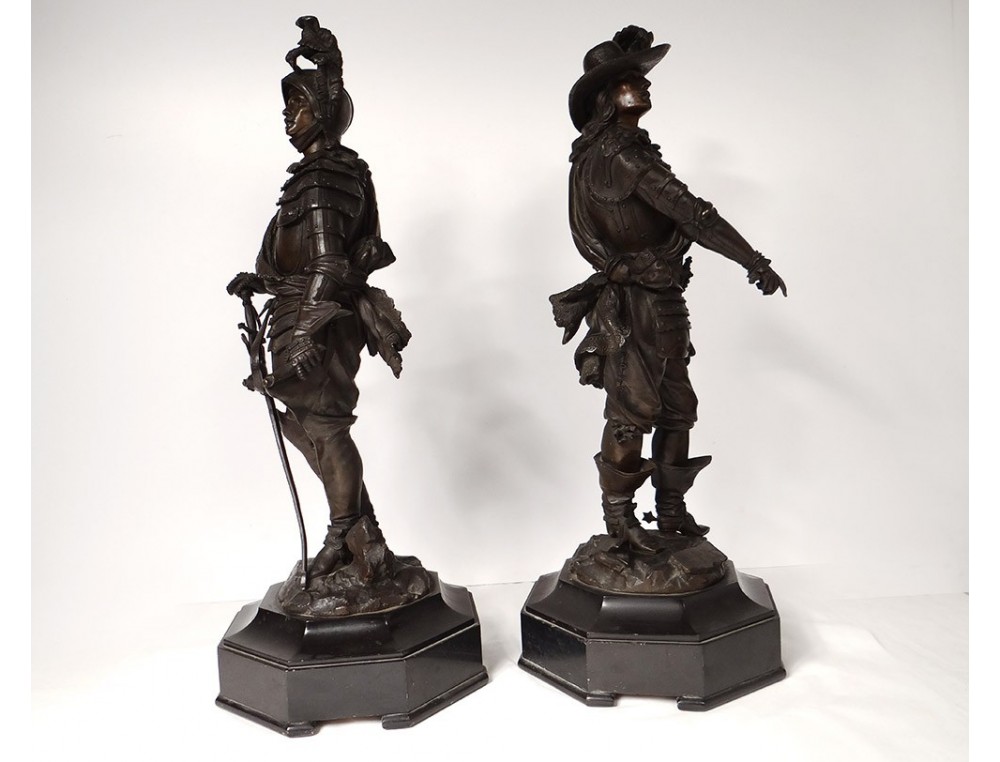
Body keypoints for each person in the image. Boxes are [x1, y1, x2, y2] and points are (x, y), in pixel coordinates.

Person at [551, 26, 786, 553]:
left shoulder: (595, 156)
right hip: (637, 302)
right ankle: (620, 520)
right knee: (633, 412)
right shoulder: (623, 157)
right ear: (607, 96)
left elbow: (605, 232)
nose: (645, 84)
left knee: (676, 407)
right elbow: (692, 213)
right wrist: (753, 260)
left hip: (660, 297)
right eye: (631, 79)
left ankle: (671, 509)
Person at [228, 18, 409, 579]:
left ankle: (341, 537)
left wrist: (307, 329)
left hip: (318, 320)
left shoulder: (323, 178)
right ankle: (363, 536)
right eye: (287, 106)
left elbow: (330, 264)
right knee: (308, 427)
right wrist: (257, 281)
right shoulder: (314, 176)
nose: (288, 115)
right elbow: (303, 258)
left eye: (299, 105)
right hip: (301, 314)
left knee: (325, 428)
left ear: (324, 112)